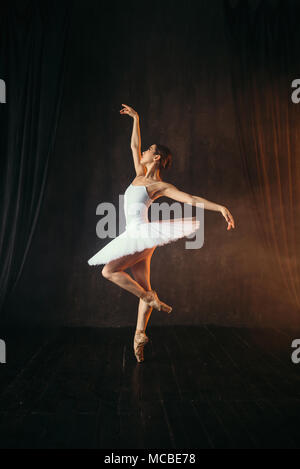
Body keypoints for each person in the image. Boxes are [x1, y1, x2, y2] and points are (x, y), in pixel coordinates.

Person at [88, 104, 235, 362]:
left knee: (109, 272)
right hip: (140, 238)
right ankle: (139, 335)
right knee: (143, 284)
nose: (144, 151)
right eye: (146, 149)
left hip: (140, 236)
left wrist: (219, 207)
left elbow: (189, 198)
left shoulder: (159, 185)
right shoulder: (139, 174)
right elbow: (134, 146)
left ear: (156, 158)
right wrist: (136, 119)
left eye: (149, 150)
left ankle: (149, 298)